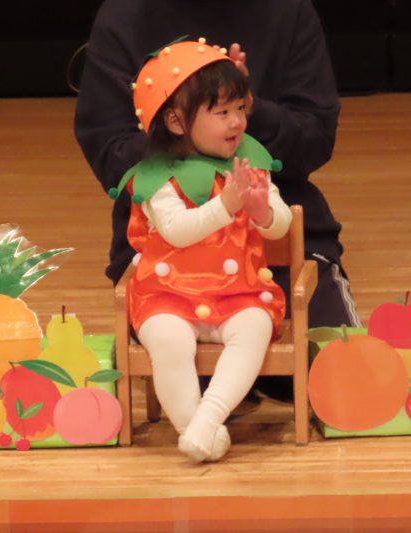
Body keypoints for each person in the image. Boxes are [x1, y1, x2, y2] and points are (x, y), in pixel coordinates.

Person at [74, 0, 360, 333]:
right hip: (162, 262)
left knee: (337, 359)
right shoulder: (125, 14)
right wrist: (189, 125)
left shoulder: (287, 9)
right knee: (172, 357)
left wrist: (247, 109)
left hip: (282, 250)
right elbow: (111, 157)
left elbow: (316, 140)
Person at [111, 39, 292, 462]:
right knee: (167, 341)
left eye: (240, 108)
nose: (238, 121)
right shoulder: (157, 178)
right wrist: (225, 206)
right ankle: (189, 426)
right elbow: (177, 232)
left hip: (239, 292)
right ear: (176, 122)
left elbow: (282, 223)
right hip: (168, 294)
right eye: (222, 112)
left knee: (254, 329)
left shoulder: (249, 164)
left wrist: (264, 212)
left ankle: (209, 418)